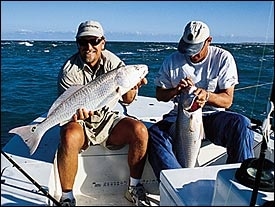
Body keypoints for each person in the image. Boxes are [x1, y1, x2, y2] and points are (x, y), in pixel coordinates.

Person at [57, 20, 150, 206]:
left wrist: (133, 86)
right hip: (81, 122)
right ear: (77, 44)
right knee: (68, 135)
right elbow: (68, 108)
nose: (89, 47)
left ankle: (133, 188)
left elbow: (127, 99)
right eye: (83, 42)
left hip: (107, 118)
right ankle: (67, 197)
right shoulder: (69, 70)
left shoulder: (116, 65)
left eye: (94, 41)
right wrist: (77, 115)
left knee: (140, 131)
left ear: (103, 42)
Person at [147, 20, 255, 181]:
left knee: (242, 124)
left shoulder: (223, 58)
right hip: (180, 116)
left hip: (213, 116)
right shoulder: (172, 60)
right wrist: (176, 90)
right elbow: (160, 95)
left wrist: (207, 96)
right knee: (155, 134)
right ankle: (177, 181)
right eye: (187, 49)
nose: (191, 54)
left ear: (208, 41)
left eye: (195, 50)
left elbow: (227, 100)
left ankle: (239, 183)